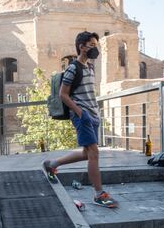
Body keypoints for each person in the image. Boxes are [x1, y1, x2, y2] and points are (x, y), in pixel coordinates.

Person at [43, 31, 118, 208]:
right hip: (82, 116)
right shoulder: (73, 68)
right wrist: (80, 113)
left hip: (93, 115)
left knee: (87, 153)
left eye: (96, 45)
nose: (95, 48)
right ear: (82, 47)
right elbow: (63, 94)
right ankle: (99, 193)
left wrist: (93, 113)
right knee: (94, 154)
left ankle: (53, 164)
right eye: (92, 45)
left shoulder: (90, 68)